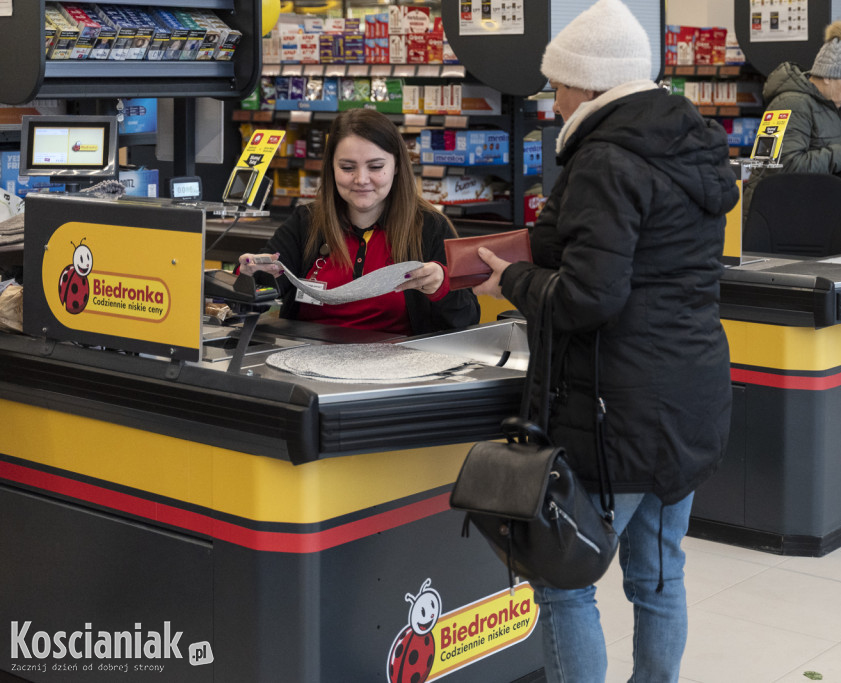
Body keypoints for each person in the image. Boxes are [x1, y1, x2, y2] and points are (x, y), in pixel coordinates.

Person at [471, 0, 738, 680]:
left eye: (557, 85)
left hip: (615, 406)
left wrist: (519, 281)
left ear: (588, 86)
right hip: (691, 395)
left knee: (565, 582)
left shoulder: (604, 161)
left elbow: (592, 296)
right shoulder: (690, 146)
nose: (554, 102)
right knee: (658, 577)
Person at [239, 108, 479, 335]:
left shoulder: (429, 227)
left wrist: (441, 288)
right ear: (331, 168)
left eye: (375, 167)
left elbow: (467, 321)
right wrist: (249, 276)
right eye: (347, 167)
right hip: (304, 363)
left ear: (397, 166)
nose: (361, 179)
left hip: (397, 370)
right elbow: (254, 299)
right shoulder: (306, 222)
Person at [743, 20, 841, 247]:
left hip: (804, 219)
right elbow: (781, 166)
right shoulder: (789, 104)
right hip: (777, 225)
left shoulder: (826, 107)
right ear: (828, 76)